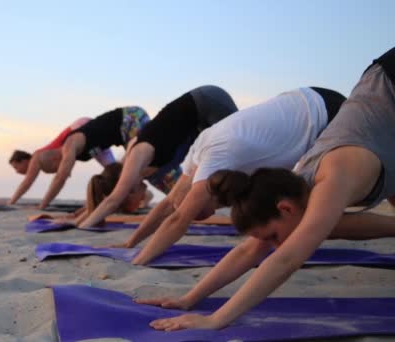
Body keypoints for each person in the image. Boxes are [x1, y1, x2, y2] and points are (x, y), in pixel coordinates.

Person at [136, 47, 395, 331]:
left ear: (284, 207)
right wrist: (189, 299)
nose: (272, 246)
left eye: (272, 235)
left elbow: (287, 259)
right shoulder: (297, 191)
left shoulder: (332, 179)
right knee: (320, 224)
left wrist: (215, 320)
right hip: (378, 112)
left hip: (389, 81)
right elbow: (248, 252)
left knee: (315, 227)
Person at [126, 86, 346, 262]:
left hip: (327, 114)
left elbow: (177, 219)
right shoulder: (199, 154)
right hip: (306, 101)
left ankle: (382, 227)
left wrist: (139, 260)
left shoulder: (216, 156)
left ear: (206, 194)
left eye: (197, 210)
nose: (193, 213)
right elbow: (169, 206)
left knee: (319, 212)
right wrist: (132, 243)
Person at [78, 85, 238, 228]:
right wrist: (77, 218)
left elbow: (113, 199)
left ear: (128, 193)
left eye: (137, 202)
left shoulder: (136, 156)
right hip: (202, 123)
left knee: (239, 159)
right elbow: (108, 199)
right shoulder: (149, 174)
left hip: (207, 101)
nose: (142, 202)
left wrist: (83, 227)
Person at [8, 108, 147, 206]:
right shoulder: (76, 153)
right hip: (117, 130)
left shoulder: (39, 156)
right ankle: (141, 195)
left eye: (16, 167)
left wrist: (41, 205)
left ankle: (138, 195)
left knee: (135, 166)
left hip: (128, 119)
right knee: (118, 171)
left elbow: (57, 178)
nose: (61, 170)